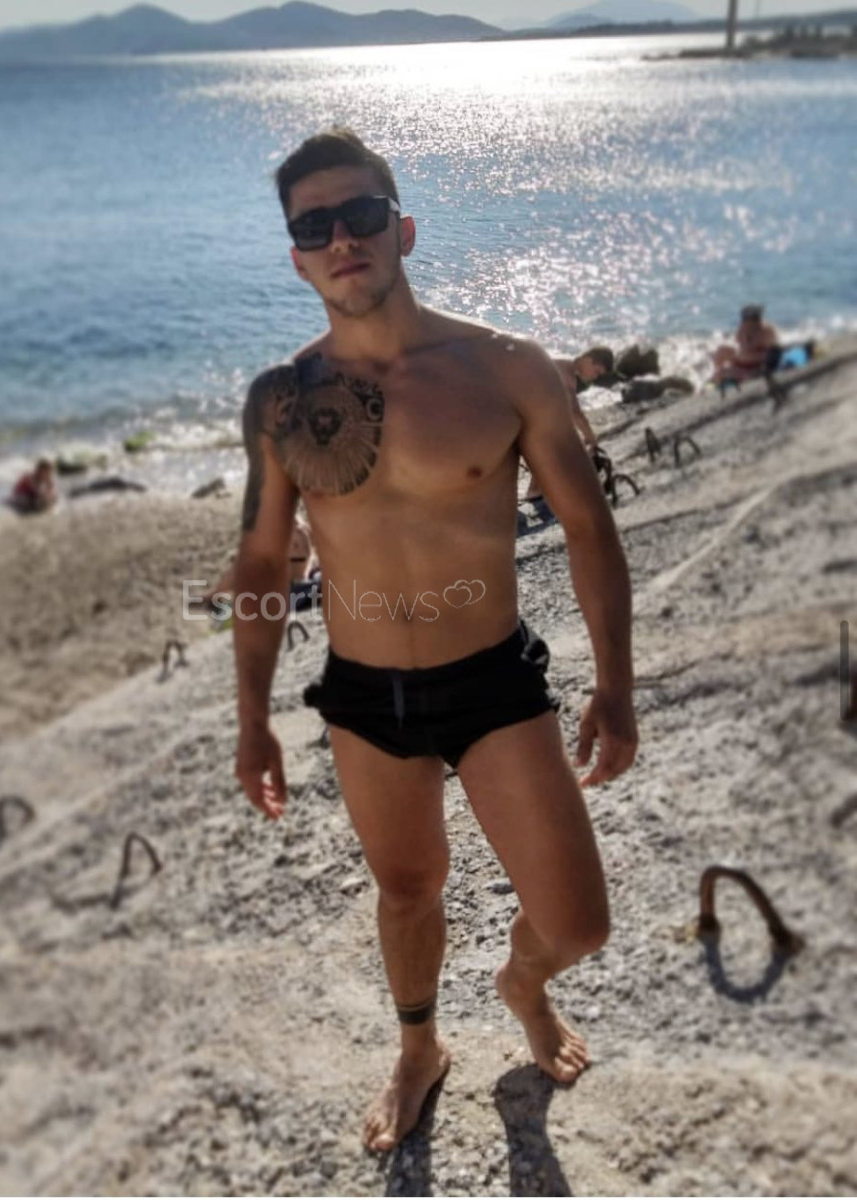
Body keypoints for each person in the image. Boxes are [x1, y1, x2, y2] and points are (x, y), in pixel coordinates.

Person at [231, 128, 638, 1152]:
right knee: (407, 889)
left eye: (360, 214)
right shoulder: (282, 402)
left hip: (492, 679)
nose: (342, 239)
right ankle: (419, 1047)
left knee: (577, 924)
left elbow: (587, 527)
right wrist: (251, 720)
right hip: (365, 693)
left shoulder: (506, 368)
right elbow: (263, 561)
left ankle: (522, 982)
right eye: (314, 227)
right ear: (296, 259)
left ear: (402, 229)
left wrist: (615, 684)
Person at [522, 347, 610, 505]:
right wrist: (592, 439)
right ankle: (535, 490)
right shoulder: (565, 373)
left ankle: (535, 490)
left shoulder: (564, 366)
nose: (594, 377)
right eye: (596, 372)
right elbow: (575, 412)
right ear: (588, 359)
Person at [711, 304, 780, 387]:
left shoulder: (766, 330)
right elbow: (739, 345)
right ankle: (717, 381)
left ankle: (721, 381)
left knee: (728, 371)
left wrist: (741, 356)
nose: (749, 320)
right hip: (742, 363)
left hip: (756, 367)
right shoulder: (742, 329)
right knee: (721, 353)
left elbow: (772, 354)